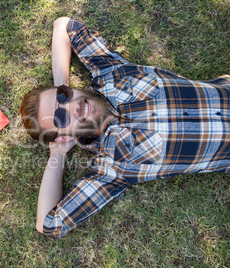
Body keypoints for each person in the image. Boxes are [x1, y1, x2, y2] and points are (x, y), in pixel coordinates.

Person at [20, 17, 230, 238]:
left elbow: (63, 26)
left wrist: (61, 84)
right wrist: (58, 153)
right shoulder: (110, 168)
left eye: (64, 95)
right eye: (60, 118)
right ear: (62, 136)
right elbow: (48, 224)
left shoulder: (110, 71)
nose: (74, 106)